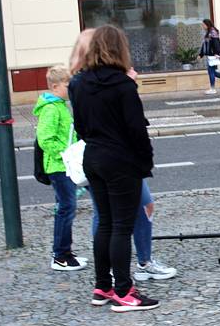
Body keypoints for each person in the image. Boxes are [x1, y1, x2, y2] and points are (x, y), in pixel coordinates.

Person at [71, 30, 177, 282]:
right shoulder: (121, 84)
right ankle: (124, 287)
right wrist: (144, 162)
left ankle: (104, 285)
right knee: (118, 225)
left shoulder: (80, 83)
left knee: (109, 221)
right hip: (120, 160)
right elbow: (136, 129)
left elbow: (81, 127)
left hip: (94, 156)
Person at [34, 65, 87, 271]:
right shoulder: (51, 109)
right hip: (59, 166)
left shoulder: (60, 106)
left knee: (65, 208)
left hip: (63, 165)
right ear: (55, 86)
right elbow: (45, 139)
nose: (70, 87)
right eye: (67, 84)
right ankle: (60, 255)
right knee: (66, 208)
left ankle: (64, 252)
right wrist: (66, 153)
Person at [199, 18, 220, 95]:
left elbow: (216, 43)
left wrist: (216, 53)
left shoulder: (212, 32)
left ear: (207, 24)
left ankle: (213, 88)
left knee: (211, 72)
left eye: (203, 25)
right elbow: (205, 45)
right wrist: (201, 54)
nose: (202, 26)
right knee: (213, 72)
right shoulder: (208, 32)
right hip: (211, 55)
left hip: (213, 55)